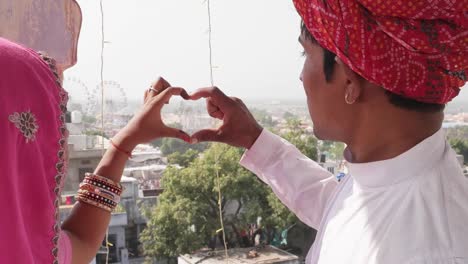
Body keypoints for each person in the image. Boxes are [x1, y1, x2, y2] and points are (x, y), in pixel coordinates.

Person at [188, 0, 468, 263]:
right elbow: (347, 215)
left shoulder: (429, 250)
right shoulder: (396, 168)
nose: (300, 76)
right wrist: (255, 140)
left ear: (349, 80)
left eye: (305, 54)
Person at [0, 37, 190, 263]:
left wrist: (124, 143)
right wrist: (123, 144)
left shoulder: (24, 242)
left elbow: (79, 242)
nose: (63, 135)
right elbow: (80, 243)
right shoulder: (28, 248)